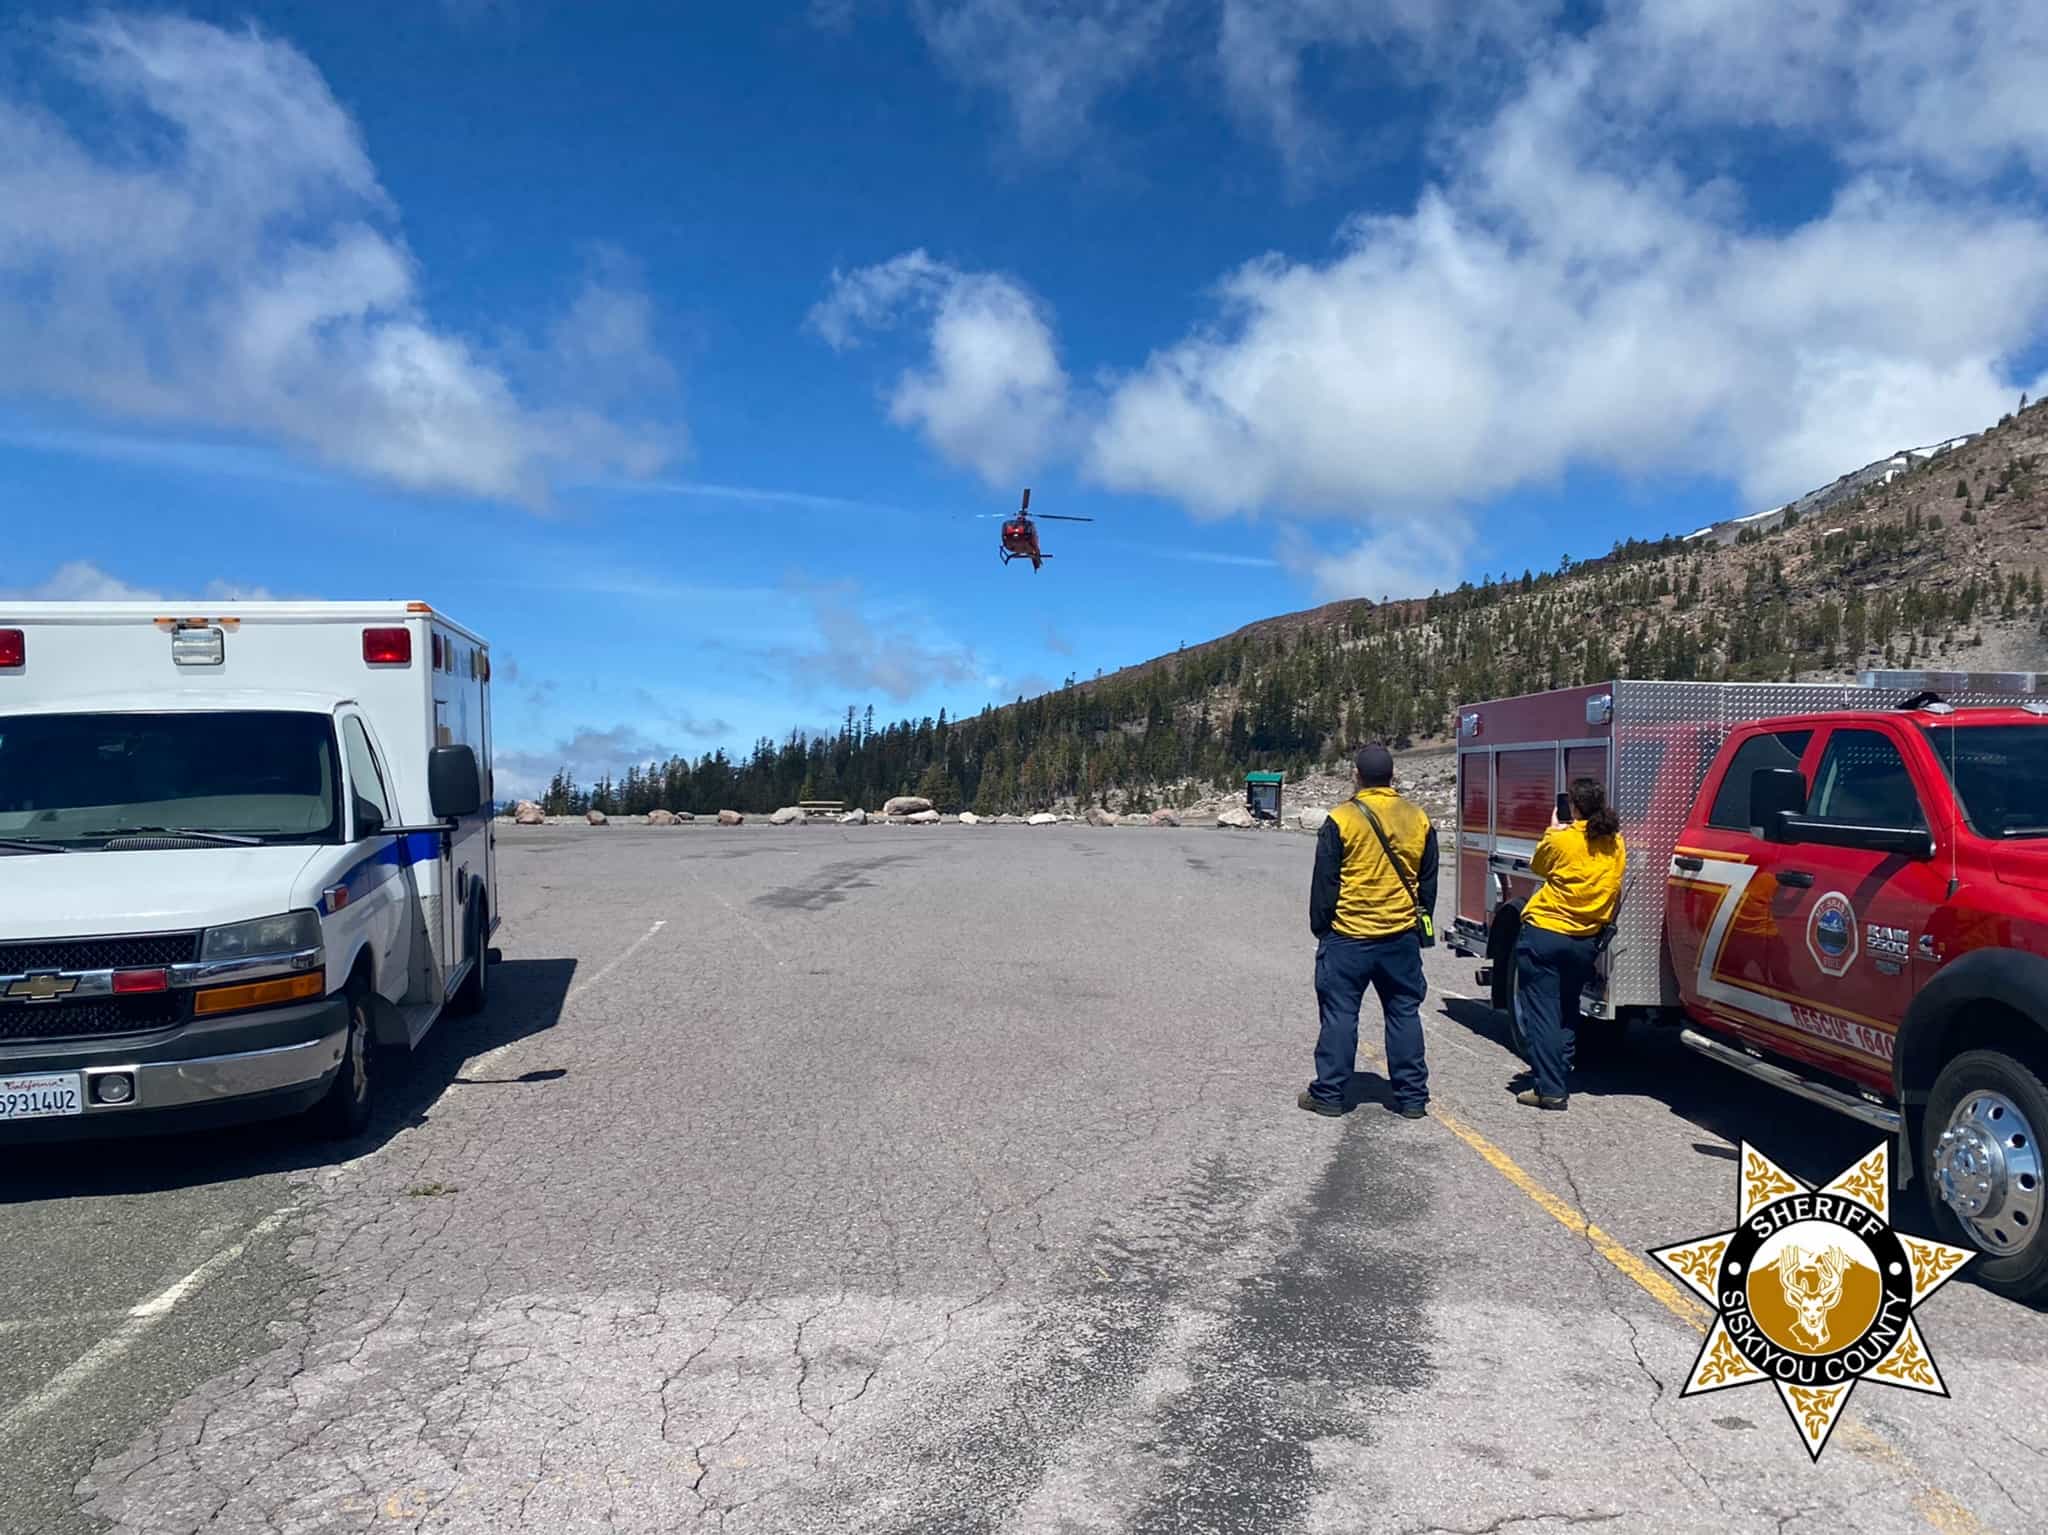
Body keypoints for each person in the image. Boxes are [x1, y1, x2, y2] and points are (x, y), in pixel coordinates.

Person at [1301, 743, 1438, 1120]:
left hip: (1349, 935)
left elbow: (1325, 883)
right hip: (1400, 935)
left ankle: (1329, 1095)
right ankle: (1412, 1098)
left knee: (1340, 1015)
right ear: (1392, 777)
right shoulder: (1419, 817)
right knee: (1403, 1013)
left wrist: (1321, 927)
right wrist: (1419, 920)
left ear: (1357, 776)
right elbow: (1428, 882)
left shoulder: (1342, 819)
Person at [1512, 776, 1627, 1111]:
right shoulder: (1615, 842)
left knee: (1542, 1010)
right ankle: (1559, 1071)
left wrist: (1555, 830)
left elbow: (1539, 866)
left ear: (1573, 806)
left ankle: (1549, 1088)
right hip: (1586, 938)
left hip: (1546, 932)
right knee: (1566, 1009)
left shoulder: (1560, 839)